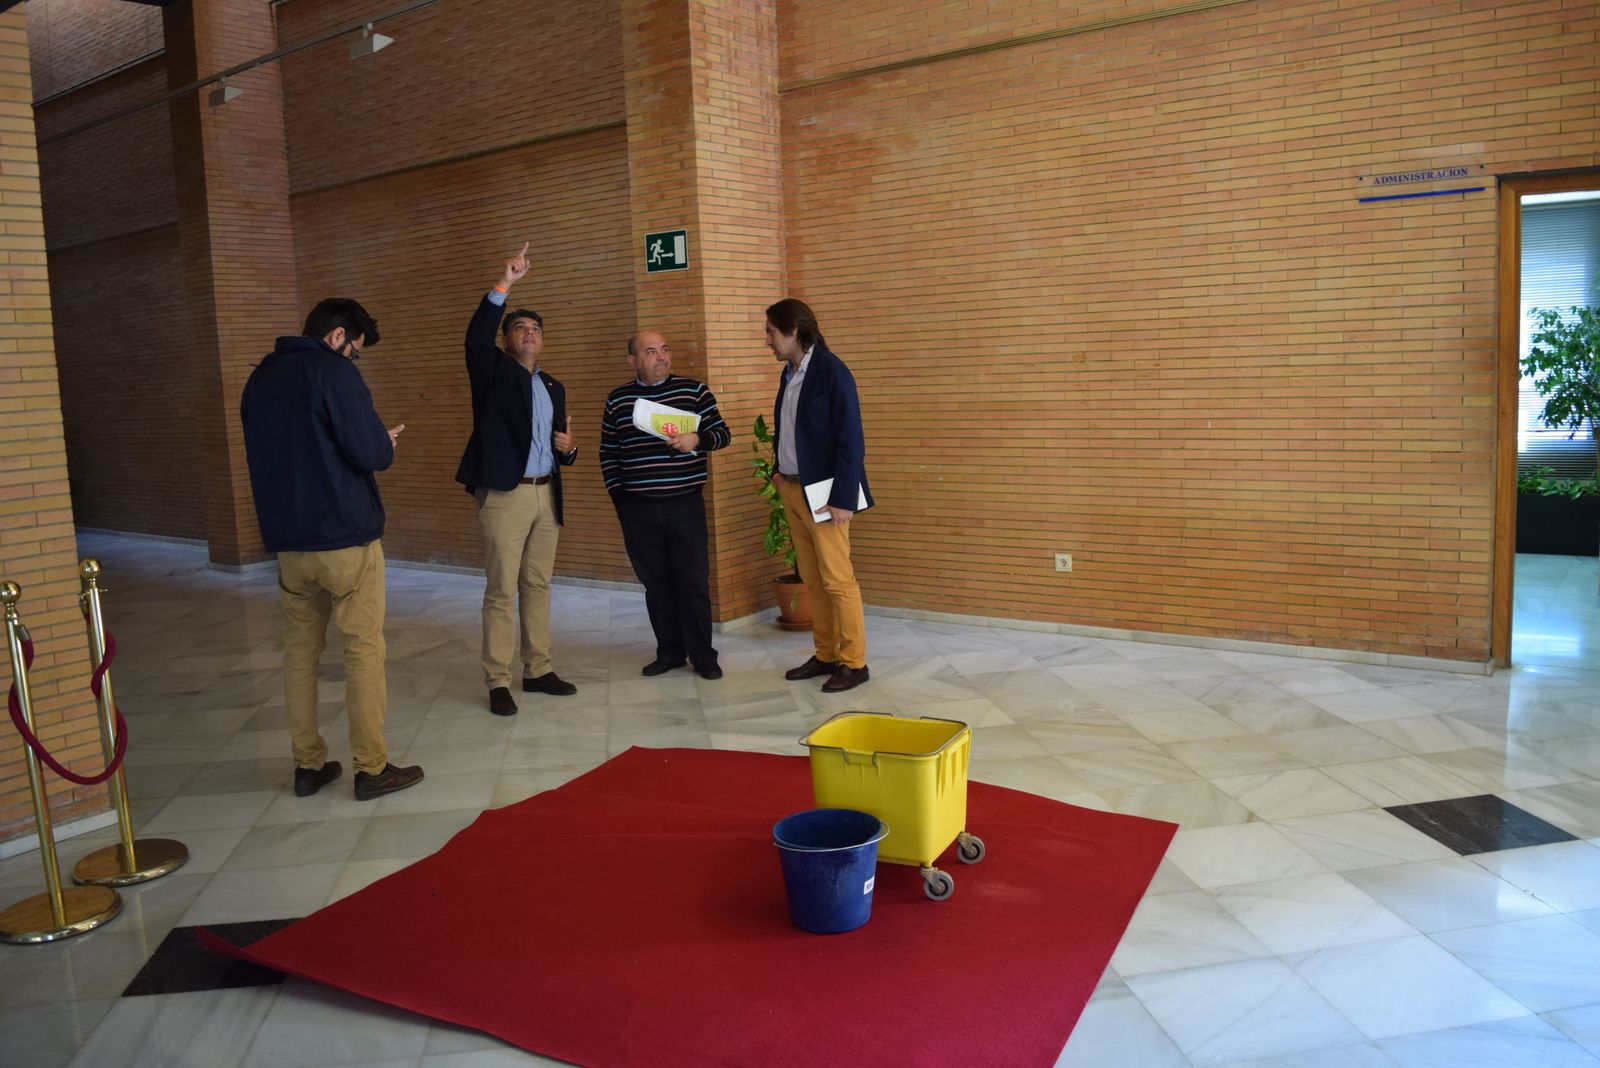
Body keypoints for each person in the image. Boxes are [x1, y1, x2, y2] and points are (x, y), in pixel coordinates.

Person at [240, 299, 424, 801]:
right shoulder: (332, 373)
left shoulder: (260, 379)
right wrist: (384, 443)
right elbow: (369, 453)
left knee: (300, 654)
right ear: (339, 337)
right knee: (364, 649)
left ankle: (308, 766)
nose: (354, 359)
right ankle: (373, 768)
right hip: (344, 536)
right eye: (356, 351)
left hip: (288, 542)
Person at [455, 243, 579, 716]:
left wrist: (572, 450)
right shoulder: (491, 371)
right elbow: (474, 339)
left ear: (542, 341)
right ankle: (498, 680)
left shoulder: (554, 386)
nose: (529, 334)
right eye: (520, 328)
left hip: (547, 494)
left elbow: (558, 443)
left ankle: (539, 669)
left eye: (535, 329)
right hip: (506, 495)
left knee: (538, 585)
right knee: (502, 590)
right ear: (508, 339)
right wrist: (503, 284)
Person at [599, 331, 732, 679]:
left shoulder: (694, 391)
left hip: (684, 505)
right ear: (633, 361)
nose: (661, 357)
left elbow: (723, 433)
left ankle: (703, 656)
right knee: (656, 586)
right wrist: (621, 499)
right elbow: (608, 454)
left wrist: (697, 438)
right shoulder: (618, 400)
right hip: (638, 509)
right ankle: (669, 652)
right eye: (650, 351)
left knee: (693, 583)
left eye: (664, 349)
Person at [764, 298, 874, 693]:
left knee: (837, 580)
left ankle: (854, 662)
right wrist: (778, 472)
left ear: (794, 330)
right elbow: (789, 427)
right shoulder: (789, 374)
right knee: (812, 579)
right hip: (792, 487)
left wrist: (844, 498)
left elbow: (850, 439)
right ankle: (826, 654)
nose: (768, 342)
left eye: (772, 333)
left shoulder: (832, 371)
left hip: (828, 493)